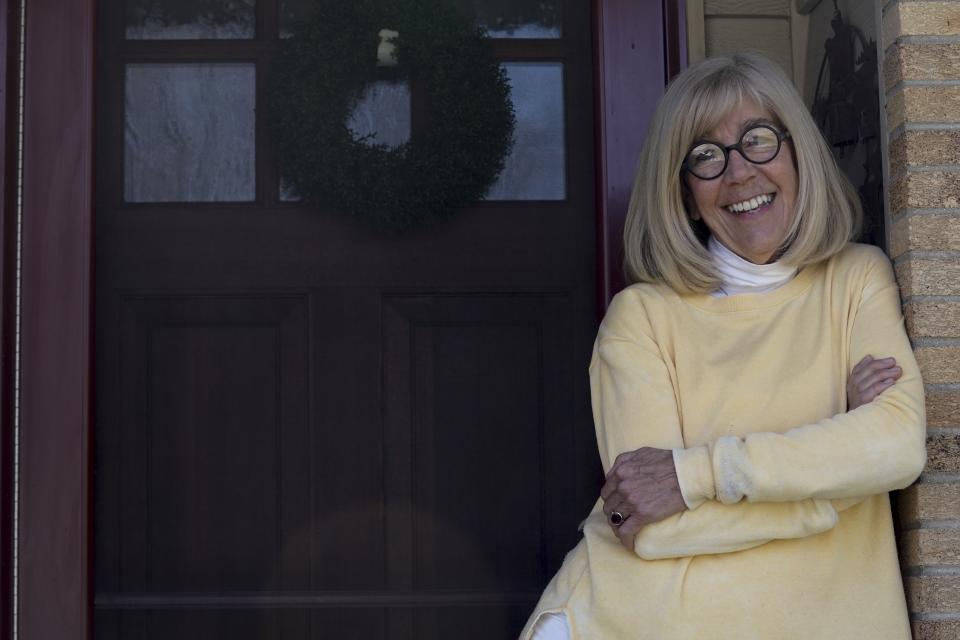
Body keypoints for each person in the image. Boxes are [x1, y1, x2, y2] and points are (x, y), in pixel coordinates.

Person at [519, 52, 926, 639]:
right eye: (705, 155)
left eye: (758, 139)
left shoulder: (857, 279)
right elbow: (649, 526)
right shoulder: (643, 318)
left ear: (798, 153)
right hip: (637, 620)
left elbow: (897, 447)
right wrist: (835, 486)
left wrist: (696, 475)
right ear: (684, 191)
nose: (739, 174)